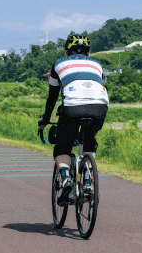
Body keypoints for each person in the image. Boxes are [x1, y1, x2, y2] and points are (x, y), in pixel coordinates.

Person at [37, 34, 109, 203]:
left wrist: (45, 119)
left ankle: (67, 179)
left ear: (66, 52)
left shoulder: (58, 64)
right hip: (99, 106)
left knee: (62, 147)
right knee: (89, 143)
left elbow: (53, 96)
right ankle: (87, 182)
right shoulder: (97, 64)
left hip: (72, 107)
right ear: (88, 53)